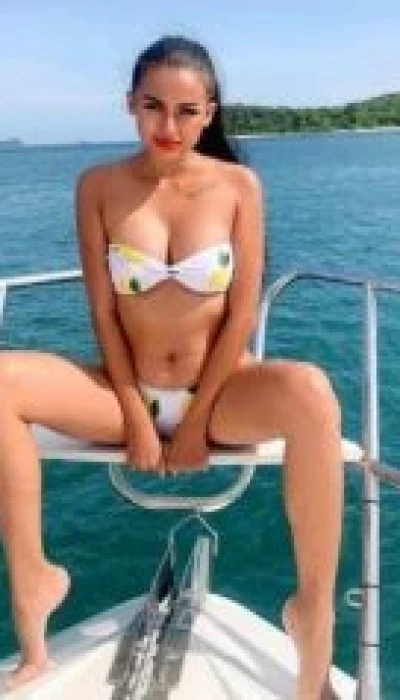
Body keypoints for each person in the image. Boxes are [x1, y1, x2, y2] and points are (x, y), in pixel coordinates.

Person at [0, 35, 343, 699]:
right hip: (124, 390)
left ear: (209, 113)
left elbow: (240, 314)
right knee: (1, 381)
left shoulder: (239, 186)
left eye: (187, 111)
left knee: (312, 392)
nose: (168, 125)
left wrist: (195, 422)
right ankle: (35, 583)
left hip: (217, 394)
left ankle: (312, 616)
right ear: (129, 103)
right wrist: (135, 414)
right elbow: (103, 313)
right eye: (153, 105)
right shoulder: (98, 186)